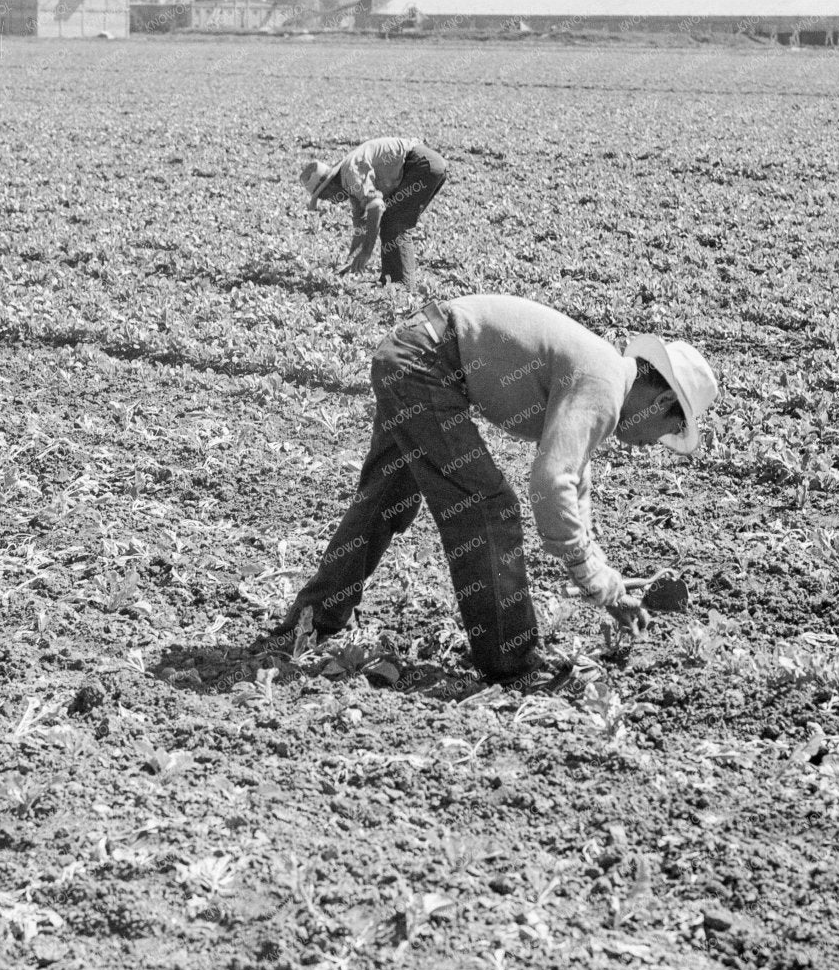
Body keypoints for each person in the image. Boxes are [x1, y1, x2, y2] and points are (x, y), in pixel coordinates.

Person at [265, 294, 718, 686]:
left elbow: (574, 480)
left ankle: (307, 625)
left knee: (385, 500)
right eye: (670, 429)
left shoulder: (604, 373)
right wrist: (587, 571)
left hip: (410, 351)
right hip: (424, 364)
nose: (655, 443)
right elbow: (549, 483)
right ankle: (512, 665)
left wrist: (605, 581)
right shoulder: (603, 388)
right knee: (488, 509)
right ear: (660, 403)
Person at [299, 136, 448, 286]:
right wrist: (354, 259)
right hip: (426, 165)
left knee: (393, 222)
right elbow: (362, 223)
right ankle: (392, 282)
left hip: (423, 164)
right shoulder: (350, 185)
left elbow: (376, 207)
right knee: (391, 219)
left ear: (329, 185)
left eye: (324, 196)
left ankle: (401, 285)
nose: (329, 201)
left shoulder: (350, 172)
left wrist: (366, 252)